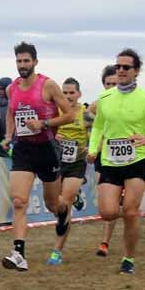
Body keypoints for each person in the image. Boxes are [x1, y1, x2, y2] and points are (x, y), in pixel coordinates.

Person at [87, 48, 145, 275]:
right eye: (118, 67)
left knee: (131, 212)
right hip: (110, 161)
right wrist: (93, 148)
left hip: (136, 161)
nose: (121, 71)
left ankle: (129, 258)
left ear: (136, 71)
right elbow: (97, 127)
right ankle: (119, 210)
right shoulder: (105, 98)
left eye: (126, 67)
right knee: (108, 212)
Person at [0, 42, 74, 271]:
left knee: (53, 203)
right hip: (23, 150)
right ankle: (19, 253)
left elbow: (70, 115)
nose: (22, 65)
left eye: (26, 61)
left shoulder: (48, 85)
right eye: (19, 61)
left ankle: (63, 212)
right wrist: (8, 135)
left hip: (47, 149)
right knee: (19, 201)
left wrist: (45, 123)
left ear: (35, 62)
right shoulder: (12, 88)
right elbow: (12, 113)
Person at [48, 77, 89, 265]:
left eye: (72, 92)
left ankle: (57, 250)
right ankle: (77, 196)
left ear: (79, 94)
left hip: (76, 164)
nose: (68, 96)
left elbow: (99, 131)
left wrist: (91, 147)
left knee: (66, 202)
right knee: (58, 207)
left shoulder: (86, 114)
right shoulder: (55, 112)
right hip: (57, 163)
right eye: (65, 92)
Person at [87, 65, 119, 256]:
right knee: (107, 205)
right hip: (104, 157)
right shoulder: (98, 104)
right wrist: (92, 145)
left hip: (127, 158)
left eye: (114, 83)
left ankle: (105, 241)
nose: (111, 87)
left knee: (122, 205)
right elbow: (85, 119)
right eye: (108, 84)